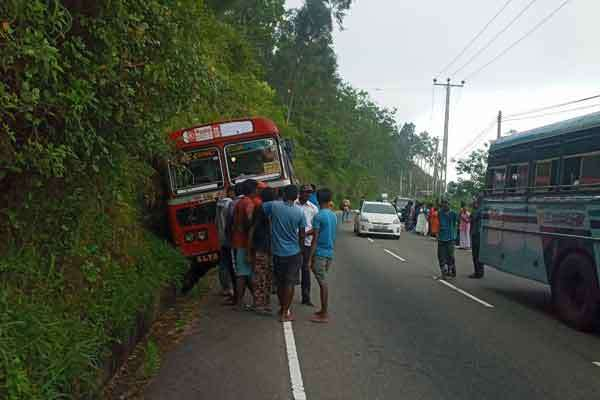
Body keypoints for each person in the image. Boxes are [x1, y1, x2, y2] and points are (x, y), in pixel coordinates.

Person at [262, 185, 306, 322]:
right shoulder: (300, 213)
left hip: (277, 252)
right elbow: (302, 235)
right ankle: (285, 312)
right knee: (290, 282)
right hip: (294, 252)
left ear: (284, 195)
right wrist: (302, 251)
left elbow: (261, 207)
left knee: (280, 282)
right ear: (296, 197)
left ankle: (282, 308)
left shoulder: (274, 206)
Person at [308, 188, 337, 323]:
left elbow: (315, 239)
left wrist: (309, 259)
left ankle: (324, 313)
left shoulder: (318, 216)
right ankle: (322, 311)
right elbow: (322, 232)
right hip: (329, 253)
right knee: (322, 280)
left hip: (320, 253)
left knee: (322, 283)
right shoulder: (333, 215)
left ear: (318, 199)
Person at [249, 187, 276, 313]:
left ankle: (258, 304)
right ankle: (266, 303)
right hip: (274, 247)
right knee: (269, 276)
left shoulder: (259, 208)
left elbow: (252, 228)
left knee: (259, 276)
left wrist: (249, 249)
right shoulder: (278, 207)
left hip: (260, 247)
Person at [231, 180, 257, 310]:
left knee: (243, 273)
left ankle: (241, 301)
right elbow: (249, 223)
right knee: (246, 273)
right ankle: (250, 301)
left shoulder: (239, 202)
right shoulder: (248, 204)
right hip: (245, 242)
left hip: (238, 241)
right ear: (253, 190)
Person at [295, 185, 319, 306]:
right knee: (291, 269)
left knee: (305, 269)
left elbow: (316, 228)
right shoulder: (293, 204)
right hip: (293, 241)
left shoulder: (313, 208)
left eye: (310, 192)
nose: (308, 194)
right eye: (306, 192)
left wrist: (304, 234)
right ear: (300, 192)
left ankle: (306, 297)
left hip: (307, 243)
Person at [216, 186, 235, 299]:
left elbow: (216, 222)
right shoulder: (230, 205)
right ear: (231, 193)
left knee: (223, 264)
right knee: (232, 264)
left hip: (222, 238)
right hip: (229, 238)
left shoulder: (218, 205)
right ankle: (232, 289)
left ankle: (225, 288)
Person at [437, 198, 458, 279]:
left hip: (450, 238)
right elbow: (440, 223)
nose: (446, 205)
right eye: (444, 203)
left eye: (447, 203)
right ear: (442, 204)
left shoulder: (453, 214)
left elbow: (455, 224)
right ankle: (443, 272)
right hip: (441, 237)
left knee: (450, 255)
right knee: (441, 256)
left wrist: (454, 235)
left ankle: (452, 269)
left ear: (449, 204)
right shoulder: (440, 213)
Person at [469, 198, 484, 279]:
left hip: (476, 235)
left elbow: (472, 218)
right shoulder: (481, 209)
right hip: (479, 234)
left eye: (474, 203)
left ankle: (477, 272)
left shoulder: (477, 211)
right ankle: (480, 272)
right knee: (479, 255)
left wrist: (472, 212)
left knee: (475, 255)